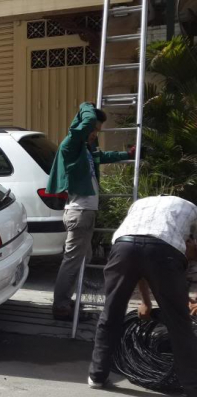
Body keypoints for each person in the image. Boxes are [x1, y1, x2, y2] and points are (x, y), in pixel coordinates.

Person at [88, 195, 197, 396]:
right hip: (164, 250)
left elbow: (141, 261)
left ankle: (97, 376)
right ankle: (192, 387)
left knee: (111, 313)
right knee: (179, 323)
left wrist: (145, 302)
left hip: (124, 246)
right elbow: (162, 256)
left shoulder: (139, 204)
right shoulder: (192, 210)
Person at [46, 102, 135, 320]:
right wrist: (86, 106)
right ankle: (61, 307)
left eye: (98, 130)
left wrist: (127, 154)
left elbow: (103, 157)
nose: (95, 134)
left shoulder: (86, 150)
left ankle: (65, 300)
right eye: (94, 129)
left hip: (85, 213)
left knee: (78, 259)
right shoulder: (71, 145)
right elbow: (84, 123)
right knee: (72, 261)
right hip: (80, 212)